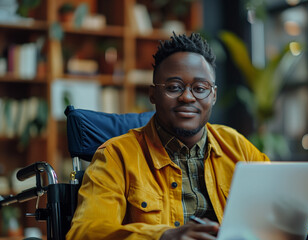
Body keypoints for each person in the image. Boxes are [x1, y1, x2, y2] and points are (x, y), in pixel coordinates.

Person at [66, 32, 270, 240]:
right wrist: (163, 236)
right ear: (153, 94)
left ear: (214, 95)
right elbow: (86, 232)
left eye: (200, 88)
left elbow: (291, 207)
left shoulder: (237, 147)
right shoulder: (115, 156)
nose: (187, 97)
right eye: (174, 87)